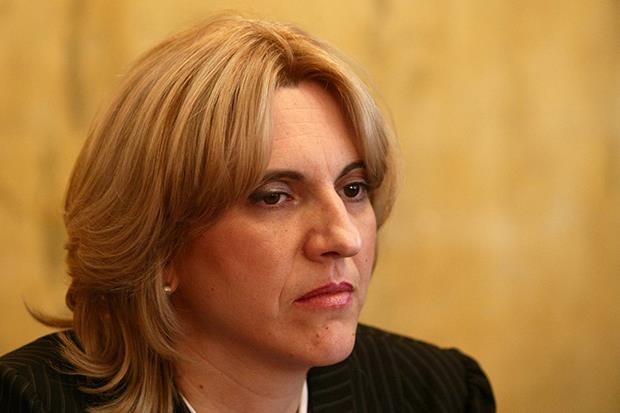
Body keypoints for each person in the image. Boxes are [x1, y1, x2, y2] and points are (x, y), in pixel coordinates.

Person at [0, 14, 495, 413]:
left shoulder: (437, 393)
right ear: (159, 245)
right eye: (274, 196)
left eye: (353, 188)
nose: (345, 237)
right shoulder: (27, 401)